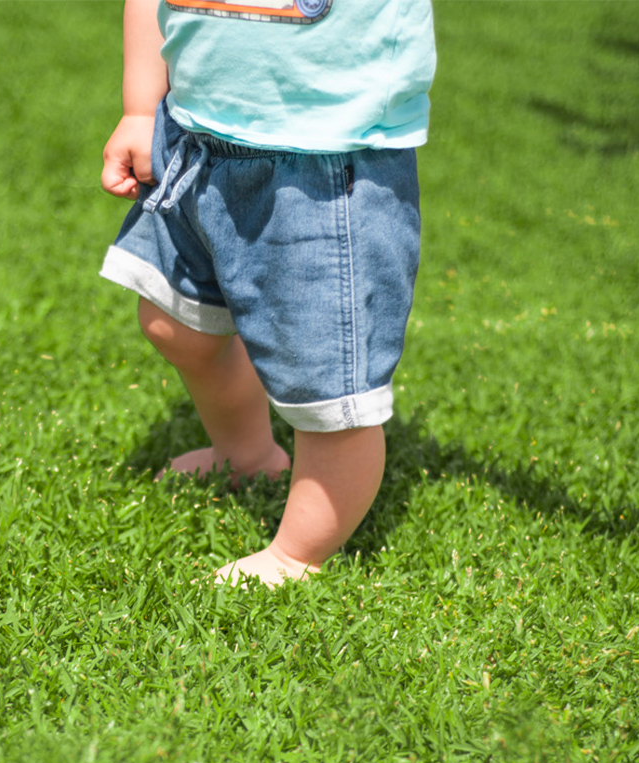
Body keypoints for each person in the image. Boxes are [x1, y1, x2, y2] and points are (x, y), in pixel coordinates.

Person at [100, 0, 436, 585]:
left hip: (327, 163)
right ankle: (248, 455)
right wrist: (138, 109)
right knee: (173, 322)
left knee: (328, 386)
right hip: (194, 142)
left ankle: (298, 554)